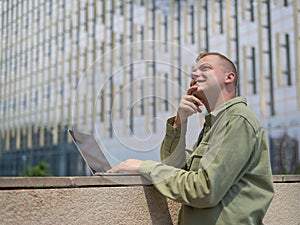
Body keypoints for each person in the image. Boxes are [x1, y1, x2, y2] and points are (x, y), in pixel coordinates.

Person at [108, 52, 274, 224]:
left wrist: (144, 167)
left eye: (205, 68)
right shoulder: (214, 125)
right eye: (193, 73)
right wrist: (180, 121)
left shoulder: (237, 120)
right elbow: (174, 168)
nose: (195, 75)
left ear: (229, 77)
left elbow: (204, 191)